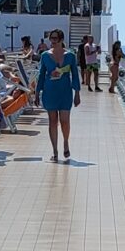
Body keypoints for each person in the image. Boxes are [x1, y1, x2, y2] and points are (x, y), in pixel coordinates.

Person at [34, 29, 81, 162]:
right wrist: (37, 92)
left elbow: (75, 75)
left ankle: (65, 142)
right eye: (51, 38)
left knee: (65, 120)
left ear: (61, 39)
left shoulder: (70, 55)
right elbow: (41, 75)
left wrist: (77, 93)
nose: (52, 41)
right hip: (50, 90)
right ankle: (55, 150)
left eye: (55, 38)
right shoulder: (45, 55)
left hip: (65, 90)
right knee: (52, 121)